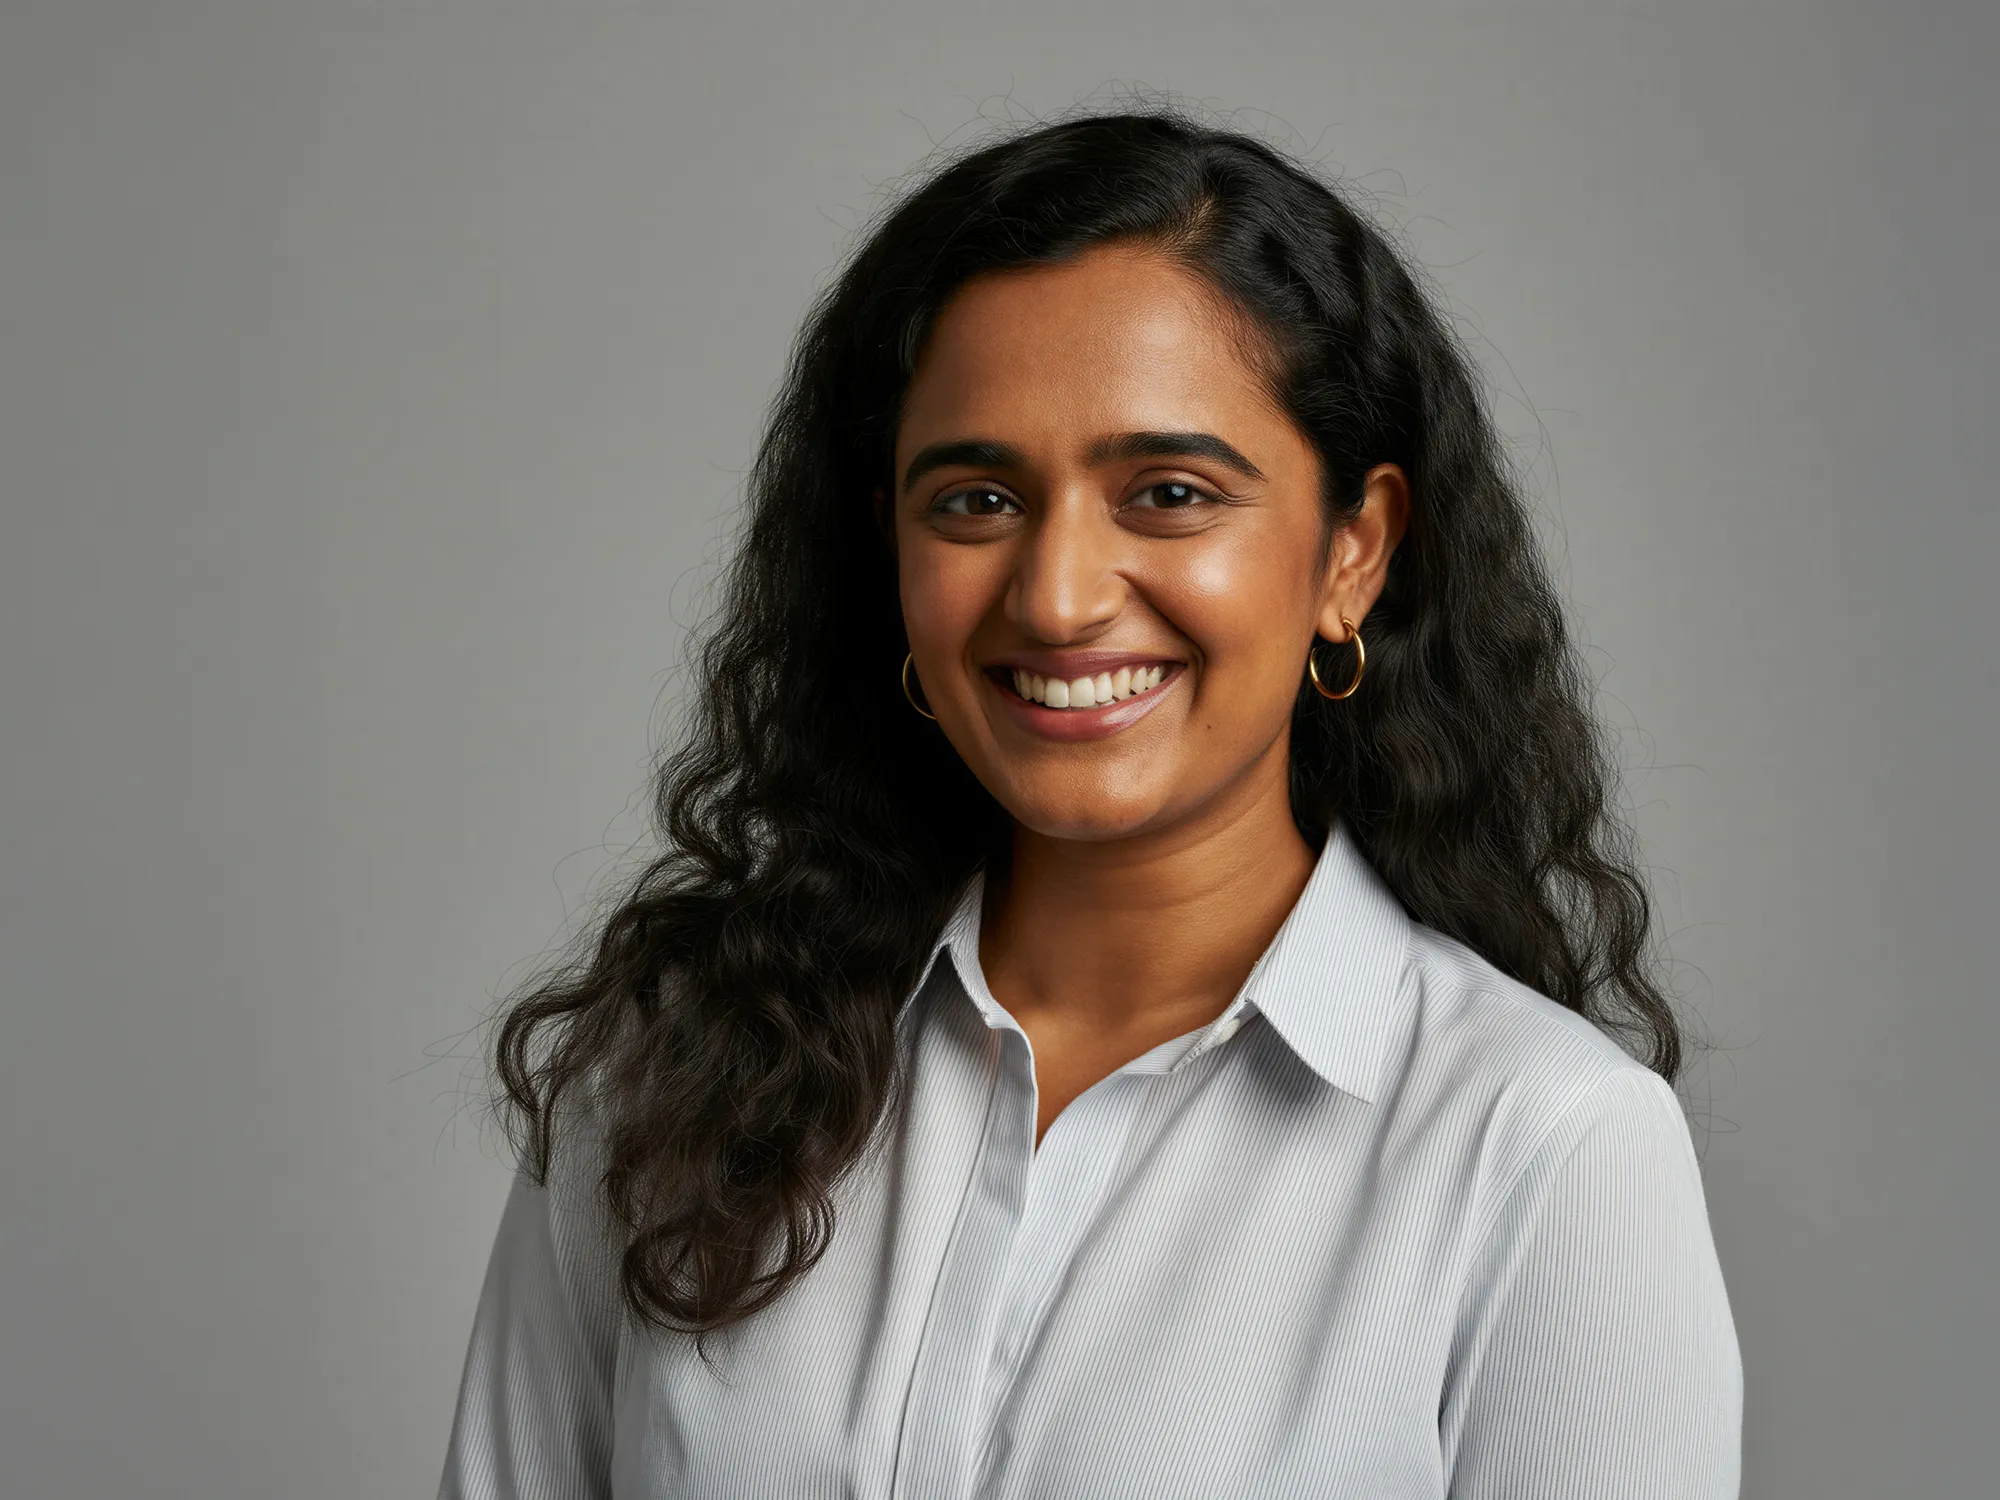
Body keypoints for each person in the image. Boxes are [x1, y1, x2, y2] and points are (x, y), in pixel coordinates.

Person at [437, 108, 1743, 1499]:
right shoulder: (670, 1079)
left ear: (1353, 553)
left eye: (1170, 493)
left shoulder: (1539, 1149)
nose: (1056, 597)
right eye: (976, 500)